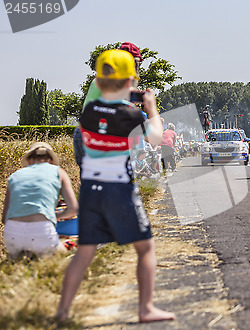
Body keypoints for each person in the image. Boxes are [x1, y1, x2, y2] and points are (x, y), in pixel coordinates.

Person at [56, 50, 175, 323]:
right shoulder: (130, 115)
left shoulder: (88, 113)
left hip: (90, 190)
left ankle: (62, 311)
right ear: (129, 82)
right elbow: (156, 138)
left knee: (84, 252)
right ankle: (145, 308)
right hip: (119, 189)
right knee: (145, 248)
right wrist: (151, 108)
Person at [74, 42, 144, 172]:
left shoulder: (99, 80)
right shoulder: (119, 84)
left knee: (92, 181)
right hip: (100, 136)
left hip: (84, 133)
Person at [2, 142, 78, 258]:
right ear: (51, 160)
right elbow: (73, 209)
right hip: (42, 231)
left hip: (12, 236)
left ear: (29, 161)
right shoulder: (58, 172)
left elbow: (4, 218)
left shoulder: (15, 176)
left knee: (25, 256)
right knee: (73, 242)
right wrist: (53, 215)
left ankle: (23, 254)